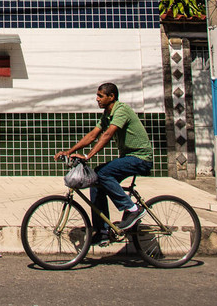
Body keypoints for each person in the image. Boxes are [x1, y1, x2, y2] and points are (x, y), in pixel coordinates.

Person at [54, 82, 154, 243]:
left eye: (100, 96)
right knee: (96, 181)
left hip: (140, 158)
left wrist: (87, 156)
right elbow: (92, 135)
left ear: (111, 96)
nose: (97, 99)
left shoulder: (121, 110)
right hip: (128, 158)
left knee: (103, 173)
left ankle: (133, 209)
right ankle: (102, 232)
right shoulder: (107, 115)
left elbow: (107, 135)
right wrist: (69, 152)